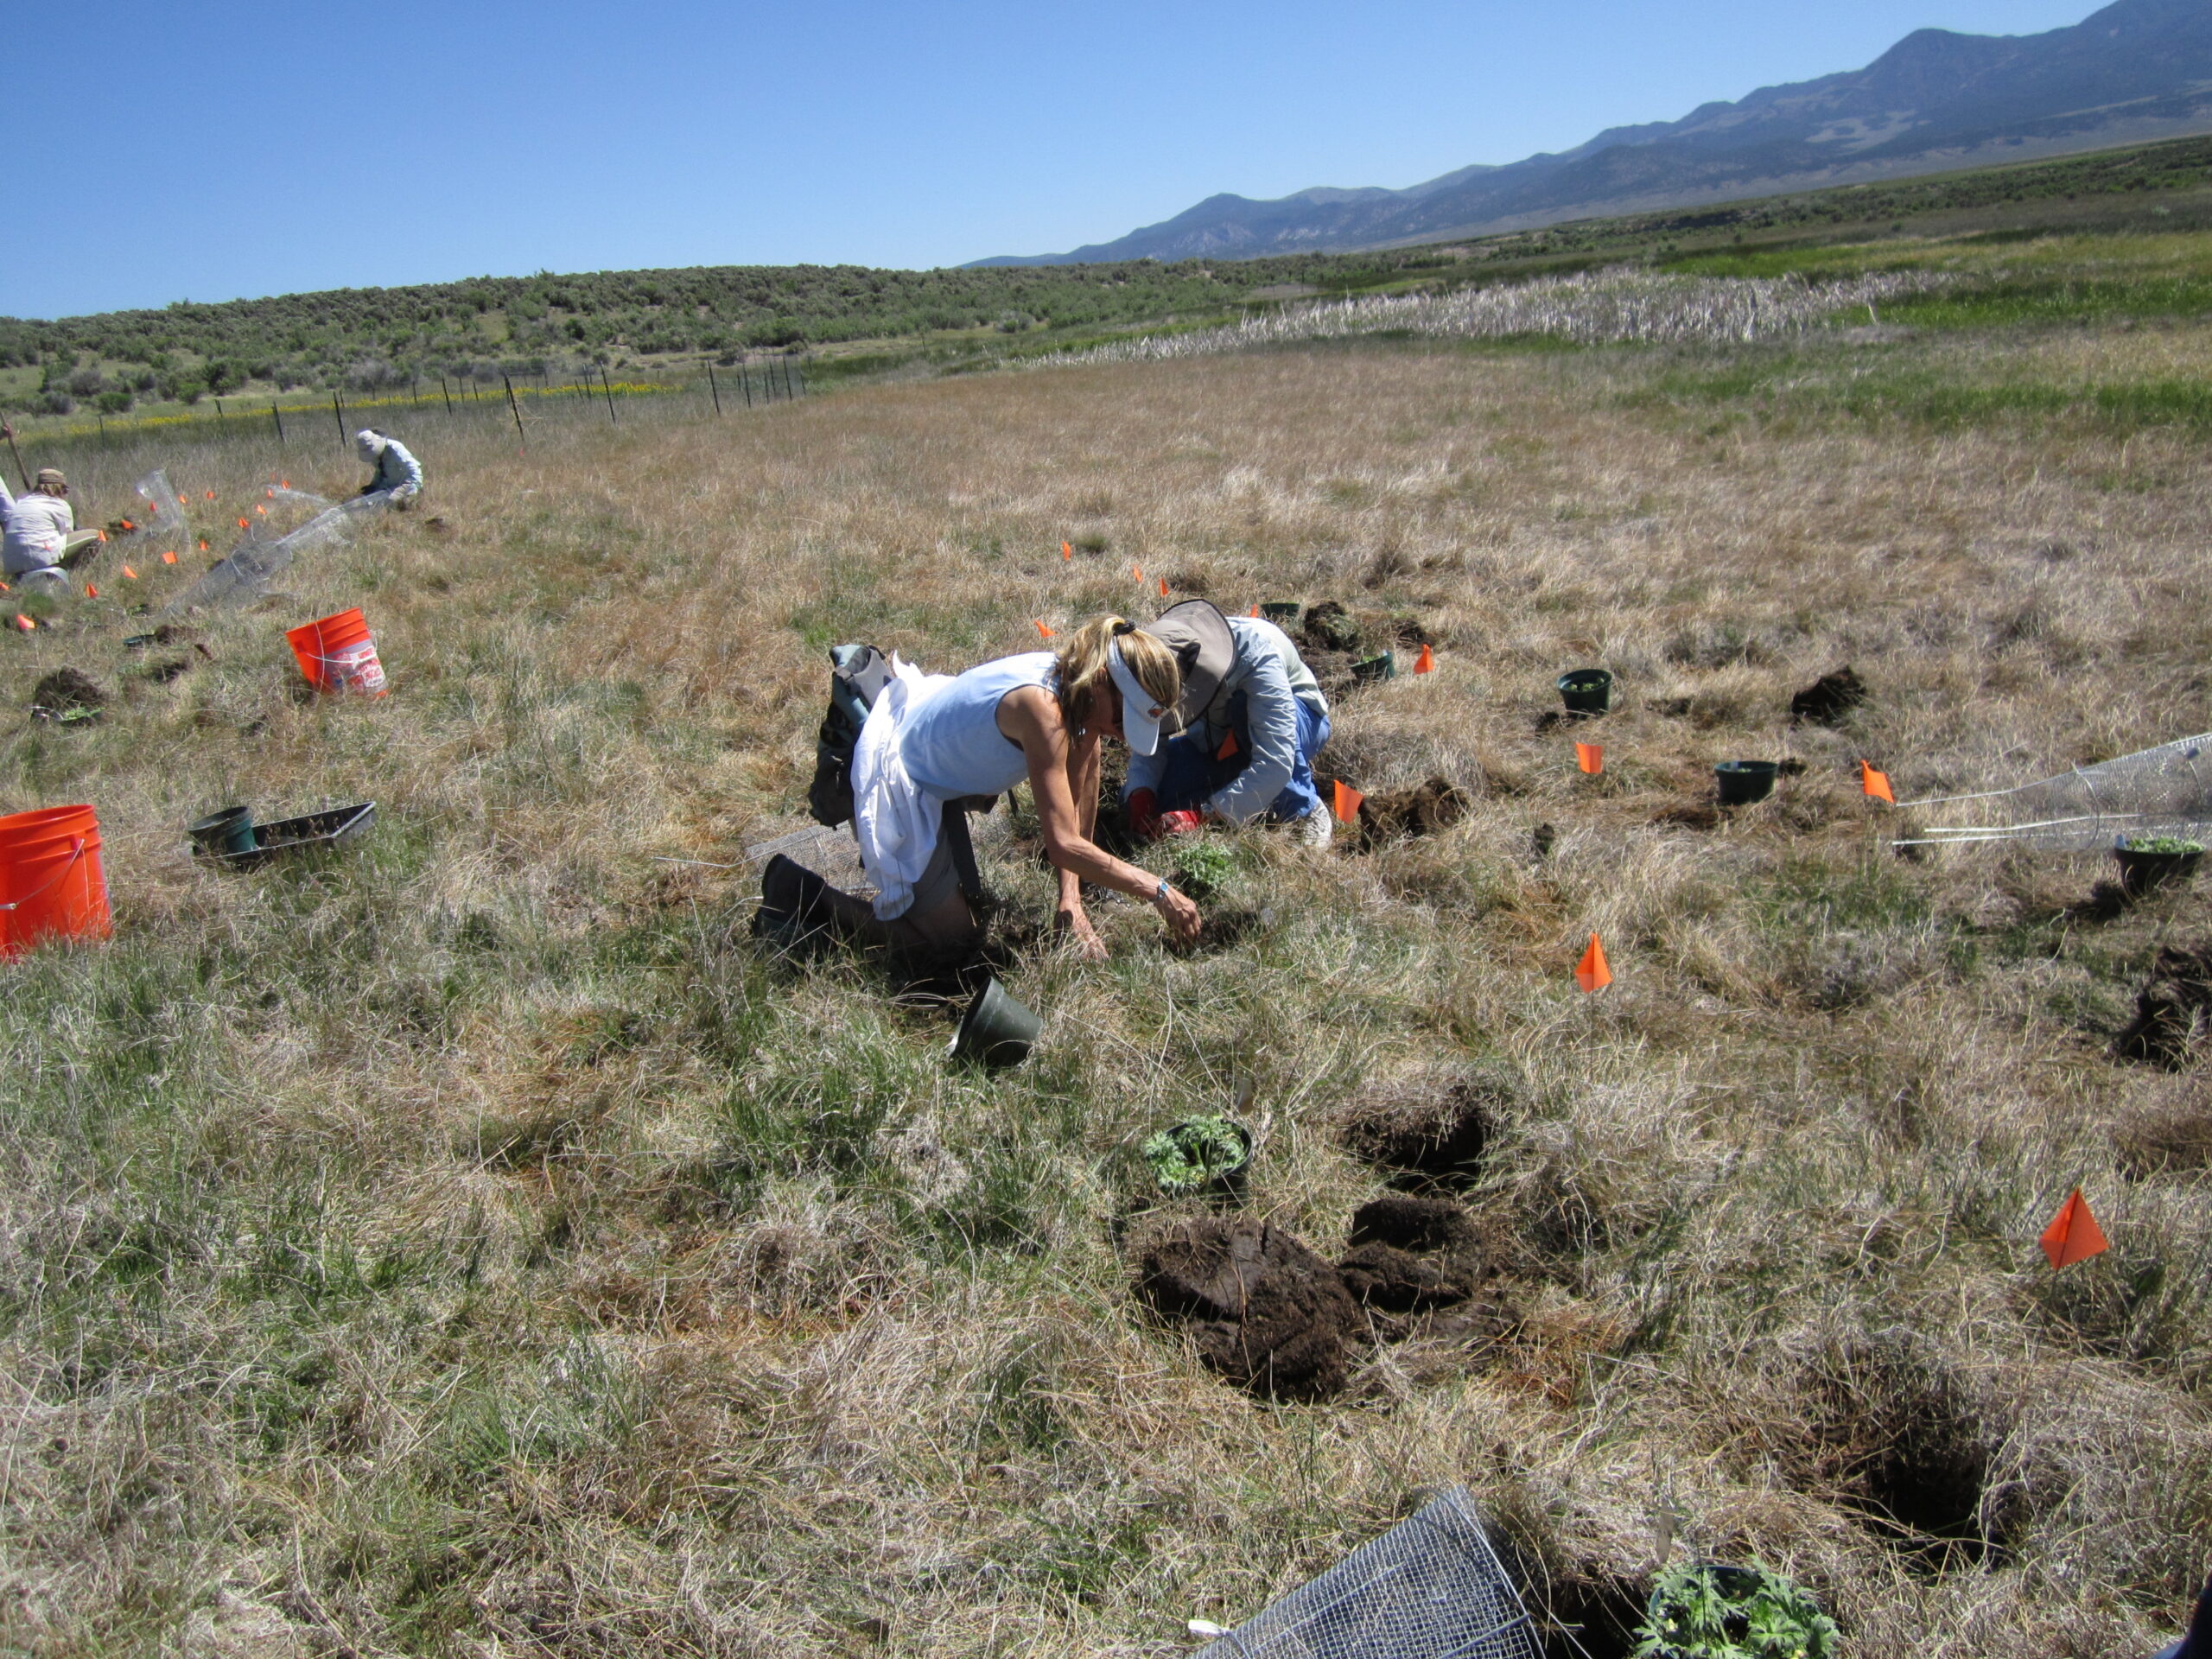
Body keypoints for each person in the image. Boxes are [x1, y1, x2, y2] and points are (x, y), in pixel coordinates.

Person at [759, 616, 1205, 961]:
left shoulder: (1080, 695)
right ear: (1104, 681)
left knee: (959, 919)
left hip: (939, 755)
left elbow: (1082, 786)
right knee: (944, 945)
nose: (1123, 736)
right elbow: (1064, 844)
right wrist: (1158, 890)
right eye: (1122, 720)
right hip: (901, 776)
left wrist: (1071, 899)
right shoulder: (1042, 709)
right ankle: (801, 893)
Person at [1124, 599, 1335, 847]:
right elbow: (1151, 738)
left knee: (1242, 708)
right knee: (1147, 795)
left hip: (1299, 725)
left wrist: (1203, 815)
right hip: (1219, 740)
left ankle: (1304, 808)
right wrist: (1141, 795)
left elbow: (1276, 759)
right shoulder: (1161, 660)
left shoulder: (1255, 650)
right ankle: (1253, 796)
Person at [2, 468, 102, 591]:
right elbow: (66, 535)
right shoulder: (59, 505)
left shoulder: (21, 503)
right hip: (39, 556)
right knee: (96, 535)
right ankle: (73, 576)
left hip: (12, 563)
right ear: (58, 488)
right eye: (64, 490)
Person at [353, 429, 423, 505]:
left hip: (405, 484)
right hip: (388, 487)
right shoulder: (376, 456)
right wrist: (373, 486)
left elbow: (415, 470)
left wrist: (413, 491)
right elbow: (379, 472)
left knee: (389, 502)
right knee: (364, 501)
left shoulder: (396, 449)